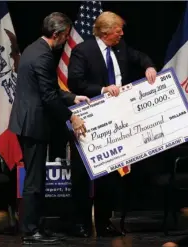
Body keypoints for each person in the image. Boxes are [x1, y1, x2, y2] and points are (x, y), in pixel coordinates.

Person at [67, 11, 157, 238]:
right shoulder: (82, 51)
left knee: (111, 172)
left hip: (117, 119)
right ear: (106, 33)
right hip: (89, 120)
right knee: (83, 173)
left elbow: (139, 56)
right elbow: (75, 82)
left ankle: (105, 221)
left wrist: (148, 66)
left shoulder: (120, 47)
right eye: (118, 31)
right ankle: (80, 223)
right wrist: (102, 90)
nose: (122, 34)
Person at [9, 12, 89, 244]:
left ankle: (36, 225)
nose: (66, 39)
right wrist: (71, 117)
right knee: (34, 179)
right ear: (57, 34)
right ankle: (30, 230)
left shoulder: (34, 48)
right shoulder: (43, 56)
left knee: (38, 176)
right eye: (65, 35)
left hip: (28, 120)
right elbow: (48, 96)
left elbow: (50, 88)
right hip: (32, 123)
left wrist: (73, 98)